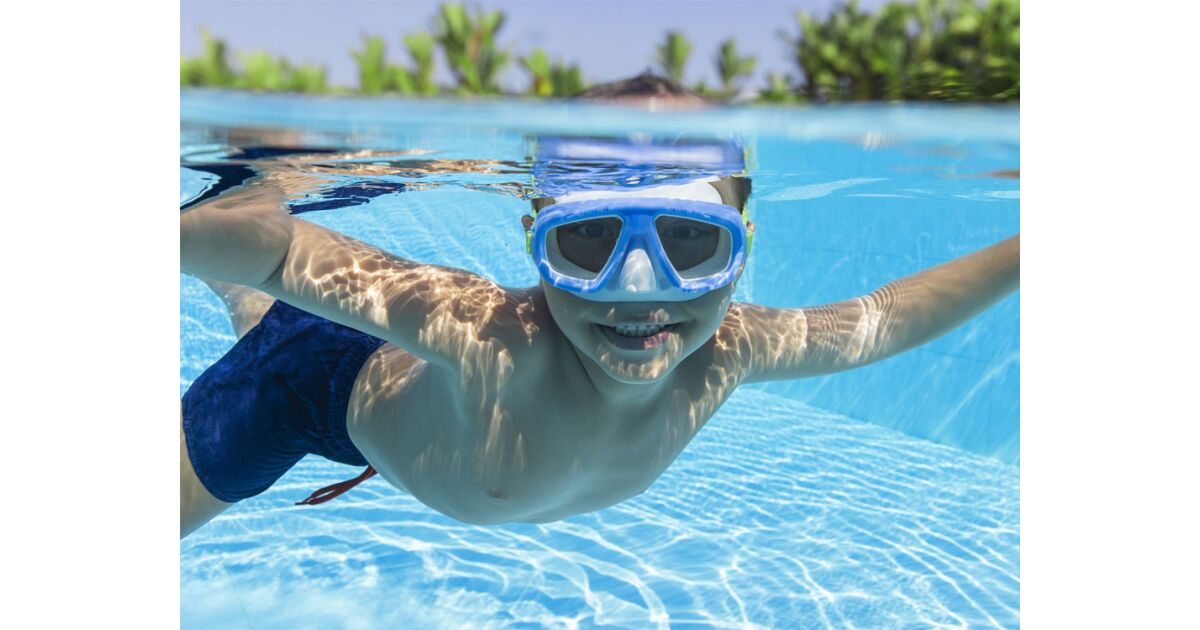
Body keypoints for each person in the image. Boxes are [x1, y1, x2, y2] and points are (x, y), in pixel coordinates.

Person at [180, 75, 1019, 538]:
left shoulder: (732, 348)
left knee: (264, 307)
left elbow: (880, 320)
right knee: (272, 328)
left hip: (388, 387)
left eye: (691, 242)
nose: (638, 289)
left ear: (743, 246)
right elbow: (284, 253)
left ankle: (248, 302)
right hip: (303, 390)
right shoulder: (490, 338)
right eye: (588, 242)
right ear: (534, 241)